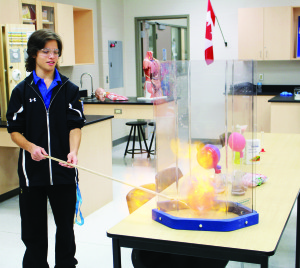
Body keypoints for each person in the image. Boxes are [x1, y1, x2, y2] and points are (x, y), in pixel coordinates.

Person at [6, 29, 85, 268]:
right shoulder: (21, 91)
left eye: (56, 52)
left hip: (63, 170)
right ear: (33, 53)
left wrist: (73, 152)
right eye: (46, 51)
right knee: (34, 231)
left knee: (65, 229)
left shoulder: (69, 89)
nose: (52, 56)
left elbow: (75, 126)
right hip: (33, 174)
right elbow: (14, 131)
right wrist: (31, 147)